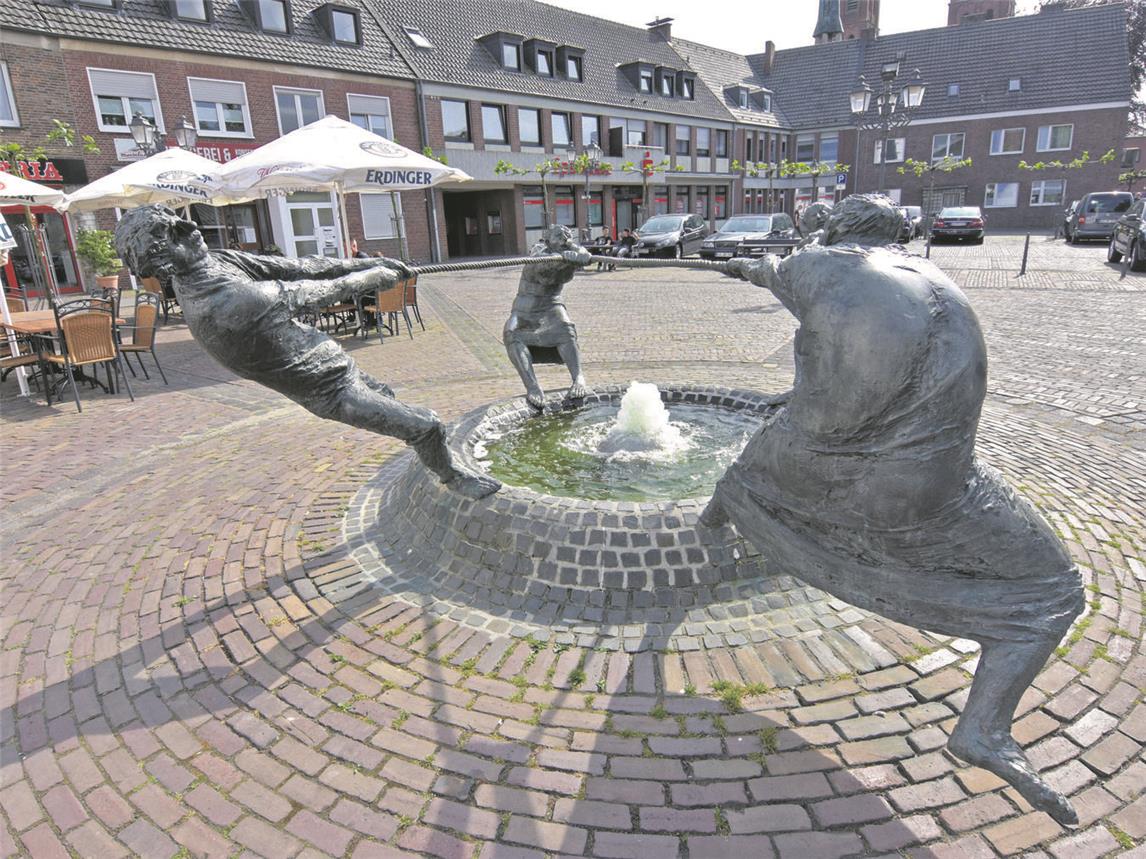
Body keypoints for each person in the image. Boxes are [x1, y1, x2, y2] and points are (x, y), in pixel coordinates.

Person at [702, 194, 1083, 826]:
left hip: (846, 475)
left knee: (760, 457)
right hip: (936, 482)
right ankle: (985, 727)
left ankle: (725, 512)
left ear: (836, 230)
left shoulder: (822, 264)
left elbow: (781, 275)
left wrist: (751, 268)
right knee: (1055, 589)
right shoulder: (929, 276)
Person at [114, 205, 499, 499]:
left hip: (337, 365)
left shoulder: (215, 262)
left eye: (177, 219)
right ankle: (453, 479)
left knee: (391, 401)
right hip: (332, 393)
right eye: (175, 233)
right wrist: (374, 276)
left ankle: (427, 459)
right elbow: (320, 292)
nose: (191, 227)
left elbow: (300, 268)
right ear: (165, 258)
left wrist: (370, 261)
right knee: (427, 425)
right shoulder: (223, 302)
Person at [503, 225, 593, 410]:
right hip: (525, 309)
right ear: (548, 240)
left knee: (566, 328)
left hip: (551, 305)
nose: (565, 239)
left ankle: (578, 378)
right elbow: (545, 272)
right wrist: (569, 259)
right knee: (511, 333)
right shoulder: (539, 253)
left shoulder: (568, 251)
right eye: (559, 236)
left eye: (568, 236)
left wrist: (578, 252)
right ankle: (533, 386)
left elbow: (584, 255)